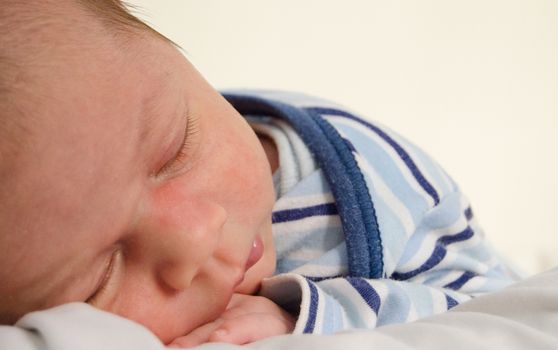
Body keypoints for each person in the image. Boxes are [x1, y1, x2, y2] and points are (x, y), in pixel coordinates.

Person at [0, 0, 518, 347]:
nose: (196, 233)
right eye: (100, 278)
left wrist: (307, 315)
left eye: (173, 151)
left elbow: (488, 307)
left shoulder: (360, 185)